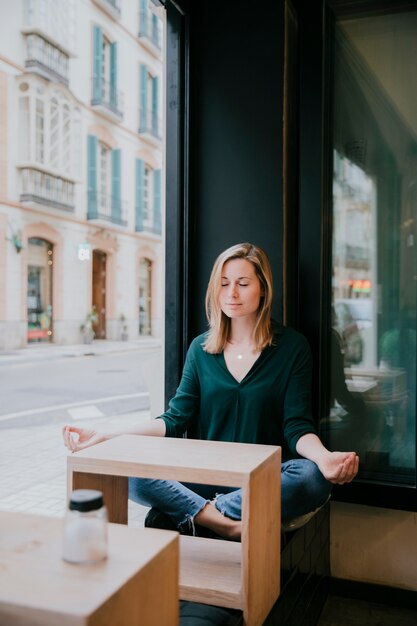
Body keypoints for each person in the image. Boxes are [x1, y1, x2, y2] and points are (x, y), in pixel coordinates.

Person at [63, 243, 359, 540]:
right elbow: (175, 418)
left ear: (263, 289)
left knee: (311, 478)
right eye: (224, 283)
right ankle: (222, 521)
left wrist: (323, 458)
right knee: (126, 469)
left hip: (262, 481)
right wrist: (108, 436)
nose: (231, 293)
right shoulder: (201, 349)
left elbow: (297, 426)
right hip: (203, 477)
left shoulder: (292, 348)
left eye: (243, 284)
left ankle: (203, 512)